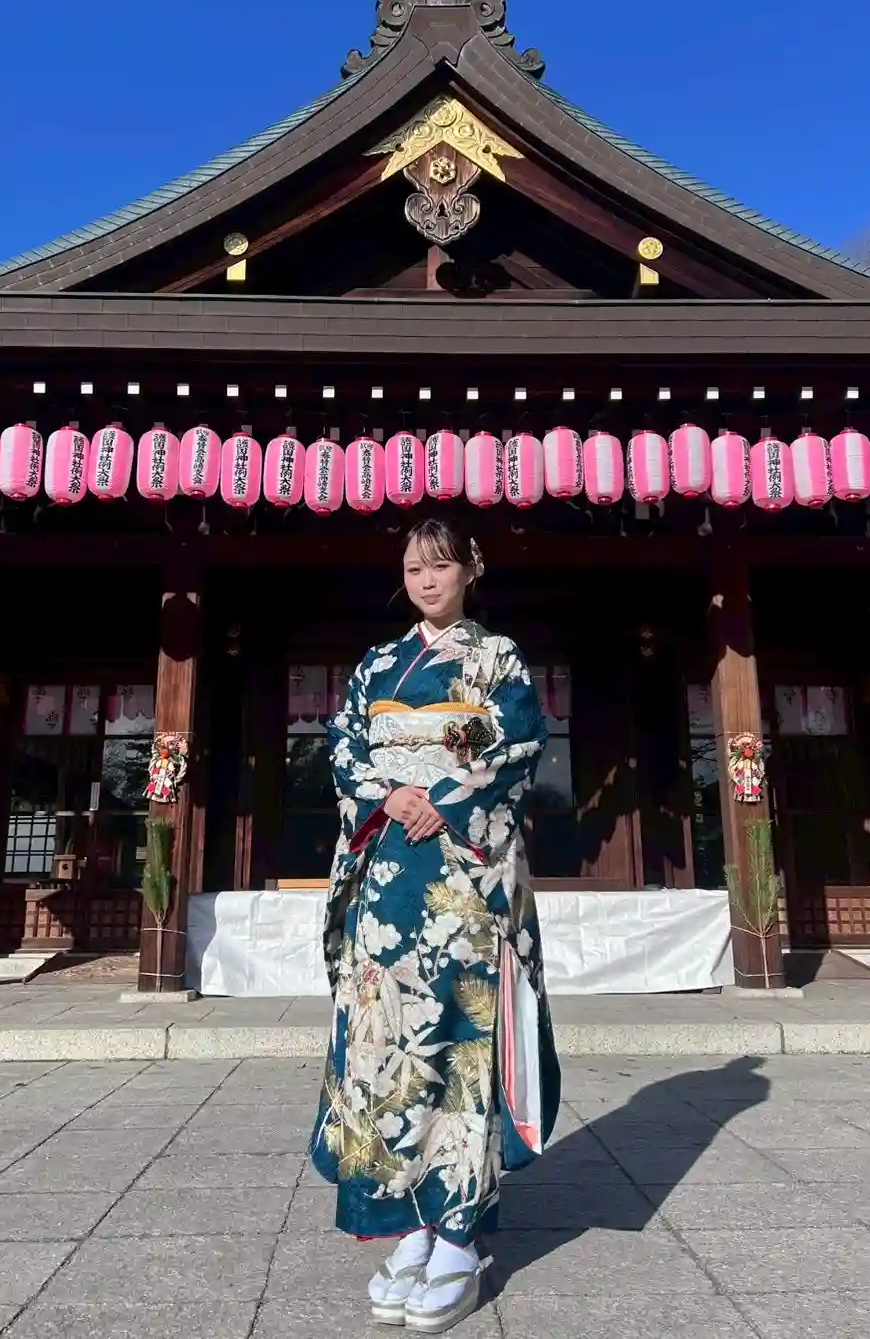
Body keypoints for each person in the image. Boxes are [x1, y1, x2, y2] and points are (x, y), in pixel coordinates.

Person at [309, 517, 560, 1333]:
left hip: (460, 877)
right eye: (414, 567)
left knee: (460, 1040)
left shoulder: (497, 658)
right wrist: (391, 793)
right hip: (388, 872)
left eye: (441, 566)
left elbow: (517, 742)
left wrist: (442, 798)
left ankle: (456, 1234)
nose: (425, 580)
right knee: (381, 1042)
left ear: (470, 570)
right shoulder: (377, 664)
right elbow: (346, 746)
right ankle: (406, 1223)